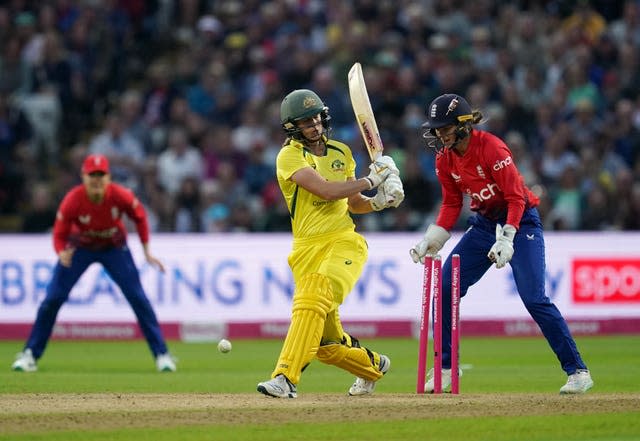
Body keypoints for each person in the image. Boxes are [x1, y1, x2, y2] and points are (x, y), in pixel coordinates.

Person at [410, 94, 593, 394]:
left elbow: (515, 197)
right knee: (444, 288)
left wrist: (508, 237)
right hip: (483, 225)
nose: (439, 134)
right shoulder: (444, 159)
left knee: (534, 298)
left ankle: (577, 371)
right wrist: (433, 237)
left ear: (463, 125)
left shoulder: (491, 147)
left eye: (445, 127)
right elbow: (452, 202)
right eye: (436, 129)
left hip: (520, 222)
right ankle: (444, 368)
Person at [257, 89, 404, 398]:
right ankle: (374, 366)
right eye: (306, 122)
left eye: (316, 118)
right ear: (292, 127)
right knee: (327, 345)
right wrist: (372, 180)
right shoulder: (290, 156)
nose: (315, 125)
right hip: (306, 249)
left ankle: (285, 378)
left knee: (313, 294)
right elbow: (325, 191)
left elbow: (354, 203)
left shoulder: (341, 152)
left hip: (344, 242)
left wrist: (381, 201)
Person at [11, 154, 176, 373]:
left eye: (101, 175)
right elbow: (59, 234)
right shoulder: (73, 199)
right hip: (80, 248)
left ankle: (162, 355)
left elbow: (140, 216)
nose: (96, 180)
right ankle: (30, 354)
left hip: (114, 247)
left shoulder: (120, 195)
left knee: (137, 297)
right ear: (83, 177)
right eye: (92, 175)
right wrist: (61, 253)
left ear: (109, 177)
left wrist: (147, 252)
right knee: (52, 299)